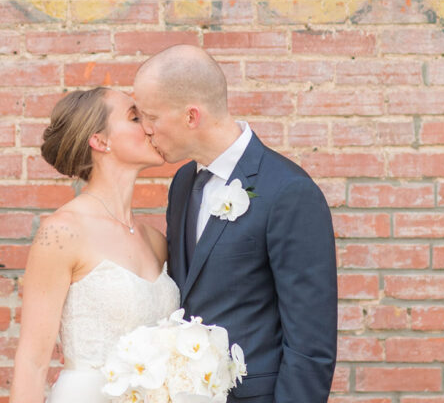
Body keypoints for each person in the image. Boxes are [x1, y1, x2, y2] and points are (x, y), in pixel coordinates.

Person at [133, 44, 337, 403]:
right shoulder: (183, 183)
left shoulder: (289, 192)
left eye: (151, 117)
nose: (146, 130)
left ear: (191, 116)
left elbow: (310, 347)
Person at [10, 87, 180, 403]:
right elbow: (32, 362)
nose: (149, 126)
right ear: (100, 141)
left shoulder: (155, 241)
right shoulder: (62, 233)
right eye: (134, 117)